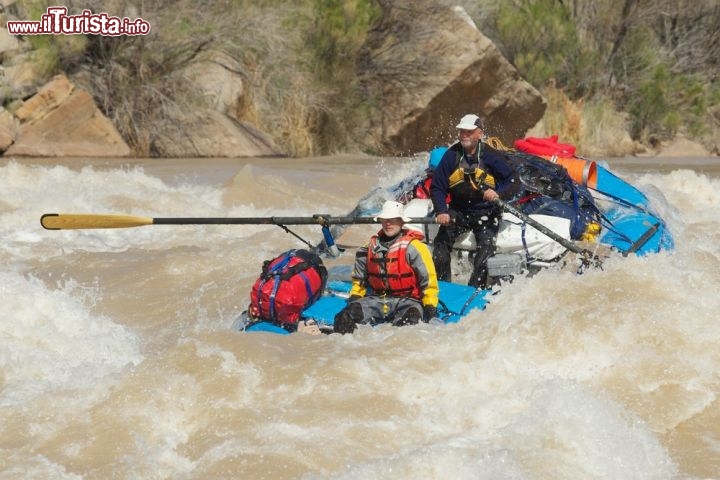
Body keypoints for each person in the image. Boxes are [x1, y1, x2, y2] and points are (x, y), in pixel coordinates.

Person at [430, 114, 520, 288]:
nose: (464, 135)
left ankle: (474, 291)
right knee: (440, 246)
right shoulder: (451, 155)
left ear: (479, 133)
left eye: (469, 132)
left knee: (486, 251)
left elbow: (513, 180)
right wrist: (441, 211)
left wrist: (498, 194)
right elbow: (437, 187)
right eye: (462, 131)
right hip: (459, 211)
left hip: (487, 212)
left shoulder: (491, 155)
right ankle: (443, 288)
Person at [333, 201, 440, 334]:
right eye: (385, 220)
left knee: (407, 327)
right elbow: (359, 281)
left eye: (393, 219)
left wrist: (430, 308)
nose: (388, 223)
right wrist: (354, 299)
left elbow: (429, 282)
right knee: (343, 318)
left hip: (408, 302)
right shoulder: (367, 248)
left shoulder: (416, 248)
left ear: (401, 222)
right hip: (377, 300)